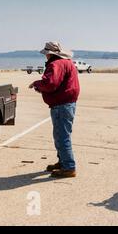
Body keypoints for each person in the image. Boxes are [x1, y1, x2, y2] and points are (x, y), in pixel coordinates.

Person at [29, 42, 80, 178]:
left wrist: (37, 84)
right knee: (60, 135)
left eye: (46, 53)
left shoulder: (55, 64)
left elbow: (50, 84)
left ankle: (69, 167)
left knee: (62, 136)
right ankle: (63, 162)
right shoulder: (68, 62)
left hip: (61, 105)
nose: (45, 56)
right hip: (67, 104)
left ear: (50, 54)